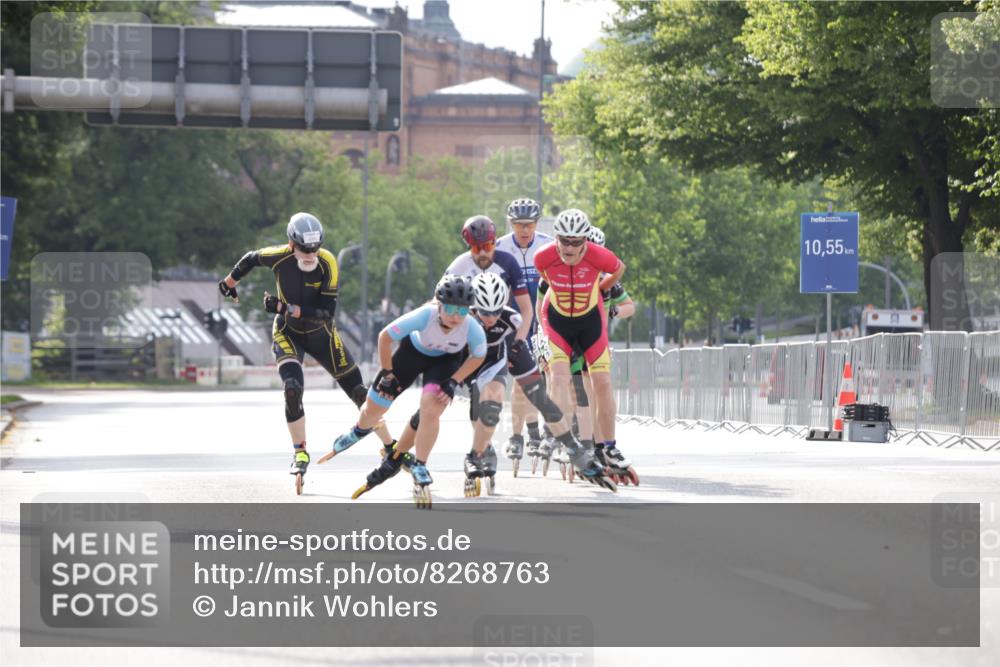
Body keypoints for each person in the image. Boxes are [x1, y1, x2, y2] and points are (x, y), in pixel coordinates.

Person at [218, 212, 397, 494]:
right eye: (304, 249)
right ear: (291, 244)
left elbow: (326, 314)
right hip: (288, 333)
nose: (311, 254)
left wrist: (284, 308)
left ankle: (390, 447)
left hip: (321, 335)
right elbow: (252, 258)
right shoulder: (279, 256)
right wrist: (229, 283)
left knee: (361, 395)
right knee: (292, 388)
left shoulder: (327, 262)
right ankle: (300, 452)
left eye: (315, 248)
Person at [321, 275, 487, 508]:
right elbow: (385, 337)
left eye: (463, 310)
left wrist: (454, 381)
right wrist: (387, 373)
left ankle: (420, 465)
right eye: (450, 308)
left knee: (431, 410)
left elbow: (479, 355)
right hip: (412, 355)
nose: (456, 316)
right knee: (373, 410)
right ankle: (361, 428)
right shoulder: (424, 315)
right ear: (439, 305)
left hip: (445, 363)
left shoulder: (471, 327)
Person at [534, 208, 628, 489]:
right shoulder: (544, 256)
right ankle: (555, 433)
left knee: (601, 382)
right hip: (557, 319)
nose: (570, 248)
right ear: (557, 238)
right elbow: (545, 280)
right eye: (564, 241)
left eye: (577, 242)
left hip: (590, 321)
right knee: (559, 377)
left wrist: (599, 289)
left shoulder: (599, 256)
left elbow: (619, 269)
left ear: (586, 241)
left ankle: (608, 446)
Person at [497, 198, 555, 464]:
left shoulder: (548, 245)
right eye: (519, 225)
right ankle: (519, 436)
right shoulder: (500, 247)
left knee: (551, 376)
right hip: (515, 325)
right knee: (521, 382)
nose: (524, 230)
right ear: (511, 224)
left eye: (529, 224)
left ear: (536, 223)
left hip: (543, 326)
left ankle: (547, 429)